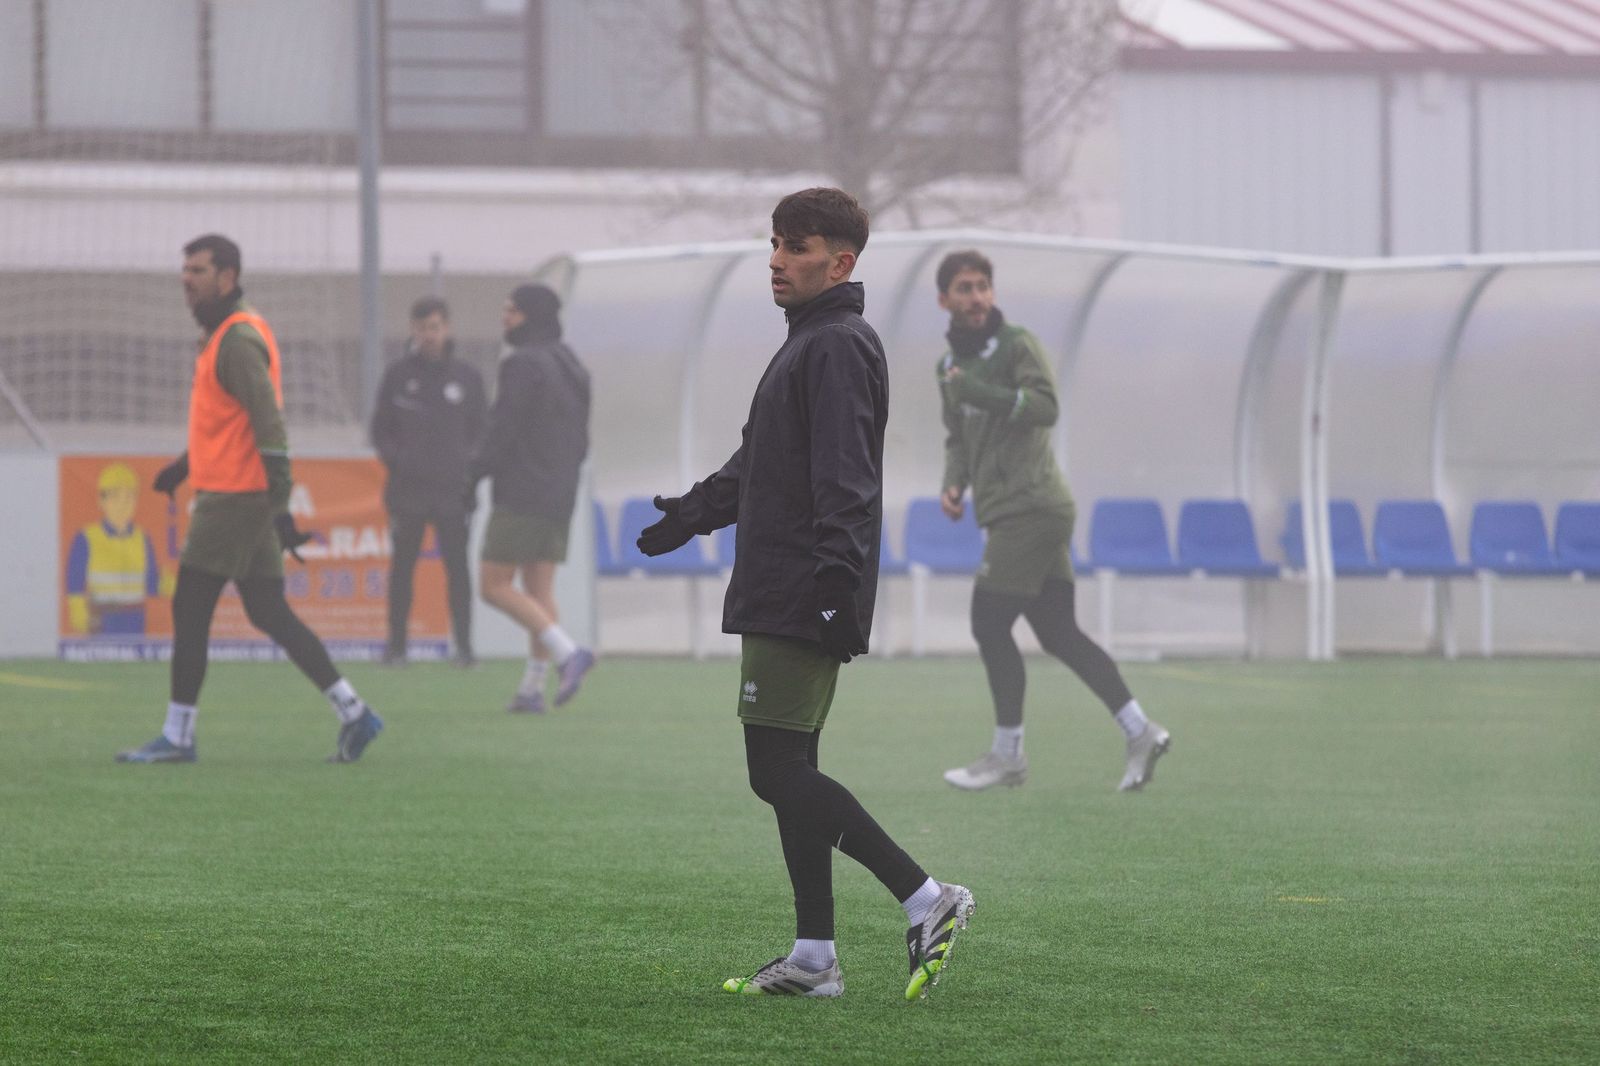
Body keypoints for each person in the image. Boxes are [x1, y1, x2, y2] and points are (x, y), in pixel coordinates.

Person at [637, 188, 974, 1001]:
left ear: (841, 261)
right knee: (793, 765)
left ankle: (928, 898)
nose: (777, 260)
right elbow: (760, 463)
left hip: (802, 587)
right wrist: (694, 513)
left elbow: (846, 478)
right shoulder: (809, 342)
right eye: (775, 243)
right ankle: (815, 958)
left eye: (796, 246)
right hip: (785, 583)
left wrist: (833, 584)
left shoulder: (838, 346)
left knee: (776, 769)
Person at [116, 234, 383, 764]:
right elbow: (228, 423)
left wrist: (281, 505)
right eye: (185, 269)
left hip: (235, 499)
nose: (186, 279)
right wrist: (184, 466)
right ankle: (354, 712)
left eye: (198, 270)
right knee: (268, 611)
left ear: (228, 277)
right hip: (243, 494)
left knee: (190, 606)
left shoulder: (236, 340)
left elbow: (270, 424)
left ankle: (179, 735)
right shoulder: (224, 334)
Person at [932, 249, 1169, 793]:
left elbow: (1046, 407)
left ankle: (1007, 756)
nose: (976, 297)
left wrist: (978, 392)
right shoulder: (947, 368)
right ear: (944, 299)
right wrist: (954, 483)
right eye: (964, 288)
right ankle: (1139, 730)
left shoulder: (1017, 344)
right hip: (1012, 510)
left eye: (983, 286)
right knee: (1059, 633)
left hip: (1032, 507)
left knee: (988, 624)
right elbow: (957, 437)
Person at [469, 283, 595, 713]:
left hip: (522, 493)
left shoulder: (521, 364)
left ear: (532, 316)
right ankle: (532, 689)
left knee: (493, 585)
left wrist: (473, 474)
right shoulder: (572, 364)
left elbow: (502, 428)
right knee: (539, 589)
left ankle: (568, 654)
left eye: (513, 310)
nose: (505, 317)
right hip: (560, 494)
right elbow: (582, 438)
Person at [370, 295, 487, 667]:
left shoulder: (467, 377)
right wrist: (400, 461)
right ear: (413, 330)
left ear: (446, 328)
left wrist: (467, 468)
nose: (429, 335)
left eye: (434, 328)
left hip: (453, 492)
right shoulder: (398, 376)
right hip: (408, 491)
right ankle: (397, 647)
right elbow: (380, 431)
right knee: (402, 569)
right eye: (422, 329)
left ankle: (464, 648)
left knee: (458, 570)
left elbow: (482, 431)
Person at [65, 461, 172, 636]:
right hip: (102, 617)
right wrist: (77, 608)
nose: (123, 505)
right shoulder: (86, 538)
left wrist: (172, 585)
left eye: (129, 497)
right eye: (115, 497)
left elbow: (151, 583)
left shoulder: (142, 538)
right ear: (101, 501)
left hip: (135, 617)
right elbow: (74, 580)